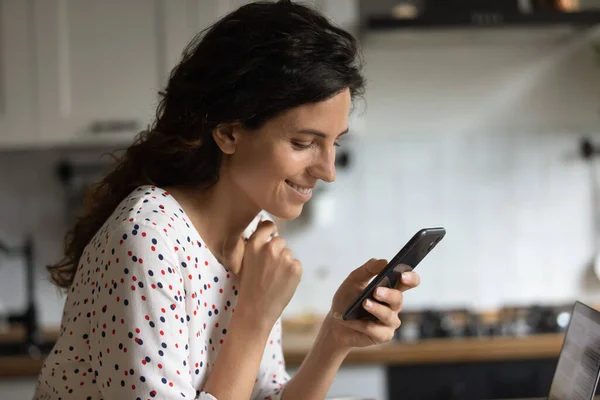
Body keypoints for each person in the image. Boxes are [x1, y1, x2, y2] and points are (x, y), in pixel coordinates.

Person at [34, 1, 420, 399]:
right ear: (229, 132)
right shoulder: (147, 240)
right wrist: (254, 317)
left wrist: (335, 336)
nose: (328, 171)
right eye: (303, 143)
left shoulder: (250, 237)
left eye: (334, 143)